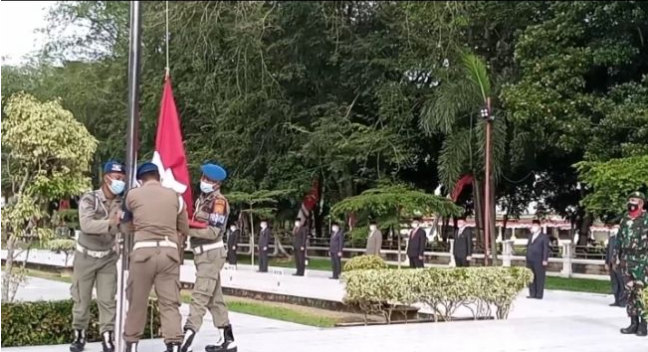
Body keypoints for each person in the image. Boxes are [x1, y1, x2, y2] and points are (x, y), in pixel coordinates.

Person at [121, 162, 190, 352]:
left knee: (137, 301)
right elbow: (184, 228)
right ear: (158, 177)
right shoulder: (175, 196)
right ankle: (174, 344)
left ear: (140, 180)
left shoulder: (132, 195)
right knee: (169, 302)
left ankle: (132, 344)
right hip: (169, 254)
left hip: (143, 253)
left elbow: (125, 225)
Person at [70, 161, 125, 352]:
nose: (120, 183)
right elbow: (86, 225)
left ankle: (107, 337)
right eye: (117, 178)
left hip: (108, 258)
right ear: (106, 178)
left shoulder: (122, 203)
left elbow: (122, 228)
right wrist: (110, 221)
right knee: (81, 299)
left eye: (123, 179)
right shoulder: (90, 199)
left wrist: (124, 225)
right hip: (85, 257)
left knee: (107, 299)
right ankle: (79, 335)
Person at [182, 163, 237, 352]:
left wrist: (186, 229)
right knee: (214, 298)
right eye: (203, 178)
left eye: (208, 180)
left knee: (199, 296)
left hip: (211, 253)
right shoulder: (202, 200)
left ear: (217, 183)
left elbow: (213, 231)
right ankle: (228, 340)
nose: (203, 182)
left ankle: (187, 338)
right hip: (203, 254)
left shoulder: (219, 202)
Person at [616, 191, 648, 336]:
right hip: (626, 260)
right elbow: (619, 239)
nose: (631, 203)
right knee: (630, 292)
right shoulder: (624, 220)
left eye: (634, 200)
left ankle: (644, 324)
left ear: (641, 203)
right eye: (630, 200)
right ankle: (633, 323)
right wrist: (616, 257)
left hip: (643, 260)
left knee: (641, 292)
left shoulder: (646, 218)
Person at [525, 219, 550, 299]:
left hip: (539, 260)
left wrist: (545, 259)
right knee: (531, 276)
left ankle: (539, 294)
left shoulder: (544, 236)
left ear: (539, 226)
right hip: (530, 259)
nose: (534, 227)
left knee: (539, 277)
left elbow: (546, 248)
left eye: (536, 225)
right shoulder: (531, 236)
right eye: (533, 225)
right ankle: (532, 293)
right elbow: (528, 246)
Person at [606, 224, 626, 308]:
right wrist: (607, 262)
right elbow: (607, 252)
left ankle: (622, 302)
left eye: (616, 228)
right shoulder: (611, 239)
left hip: (619, 265)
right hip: (612, 264)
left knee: (622, 283)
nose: (614, 229)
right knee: (614, 283)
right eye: (613, 228)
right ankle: (616, 300)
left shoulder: (623, 239)